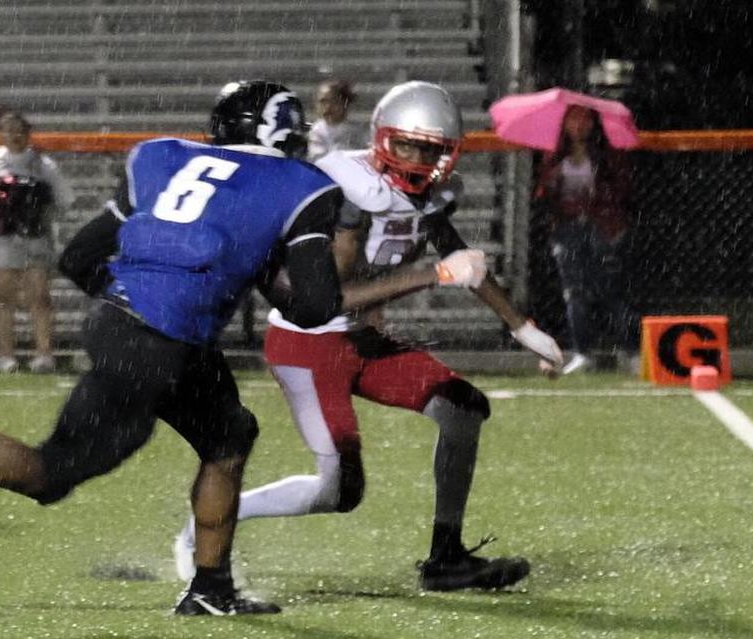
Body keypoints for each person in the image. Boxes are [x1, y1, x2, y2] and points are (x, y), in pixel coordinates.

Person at [0, 80, 345, 616]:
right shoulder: (302, 185)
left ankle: (211, 586)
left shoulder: (163, 157)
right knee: (48, 474)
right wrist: (258, 271)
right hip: (162, 342)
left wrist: (139, 301)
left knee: (230, 434)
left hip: (127, 324)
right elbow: (317, 306)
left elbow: (79, 257)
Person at [173, 81, 565, 592]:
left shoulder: (430, 194)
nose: (417, 158)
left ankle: (446, 556)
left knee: (463, 408)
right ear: (382, 138)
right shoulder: (349, 189)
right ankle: (206, 522)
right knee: (339, 491)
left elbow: (457, 254)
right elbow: (333, 296)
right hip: (308, 343)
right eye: (406, 144)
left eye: (429, 148)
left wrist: (523, 327)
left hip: (358, 341)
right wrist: (436, 276)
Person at [0, 107, 73, 374]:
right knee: (3, 298)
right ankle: (6, 356)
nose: (16, 135)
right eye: (9, 130)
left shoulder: (43, 166)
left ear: (29, 132)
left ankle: (44, 354)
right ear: (1, 133)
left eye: (21, 130)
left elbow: (65, 200)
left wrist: (38, 208)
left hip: (35, 238)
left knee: (40, 296)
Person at [534, 105, 639, 375]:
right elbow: (543, 194)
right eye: (573, 119)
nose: (579, 125)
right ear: (565, 122)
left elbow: (622, 187)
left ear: (593, 122)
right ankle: (583, 353)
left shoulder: (606, 153)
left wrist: (597, 199)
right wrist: (552, 182)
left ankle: (632, 351)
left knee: (611, 290)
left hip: (601, 226)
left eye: (584, 119)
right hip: (567, 228)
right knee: (575, 293)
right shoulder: (554, 154)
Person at [307, 78, 367, 161]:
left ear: (345, 104)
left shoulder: (357, 133)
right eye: (323, 102)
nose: (328, 107)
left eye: (334, 102)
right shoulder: (315, 132)